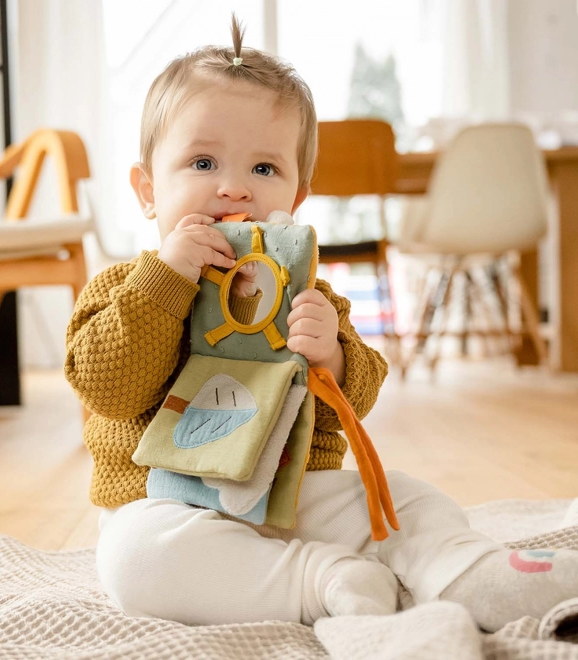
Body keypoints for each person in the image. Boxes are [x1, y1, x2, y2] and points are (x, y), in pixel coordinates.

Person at [65, 17, 577, 632]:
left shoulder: (308, 292)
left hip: (288, 495)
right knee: (133, 563)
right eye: (203, 162)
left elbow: (354, 400)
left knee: (401, 497)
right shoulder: (124, 288)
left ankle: (468, 571)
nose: (234, 190)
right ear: (148, 190)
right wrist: (167, 282)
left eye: (263, 170)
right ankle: (321, 581)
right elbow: (108, 390)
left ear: (296, 197)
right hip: (165, 504)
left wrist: (331, 359)